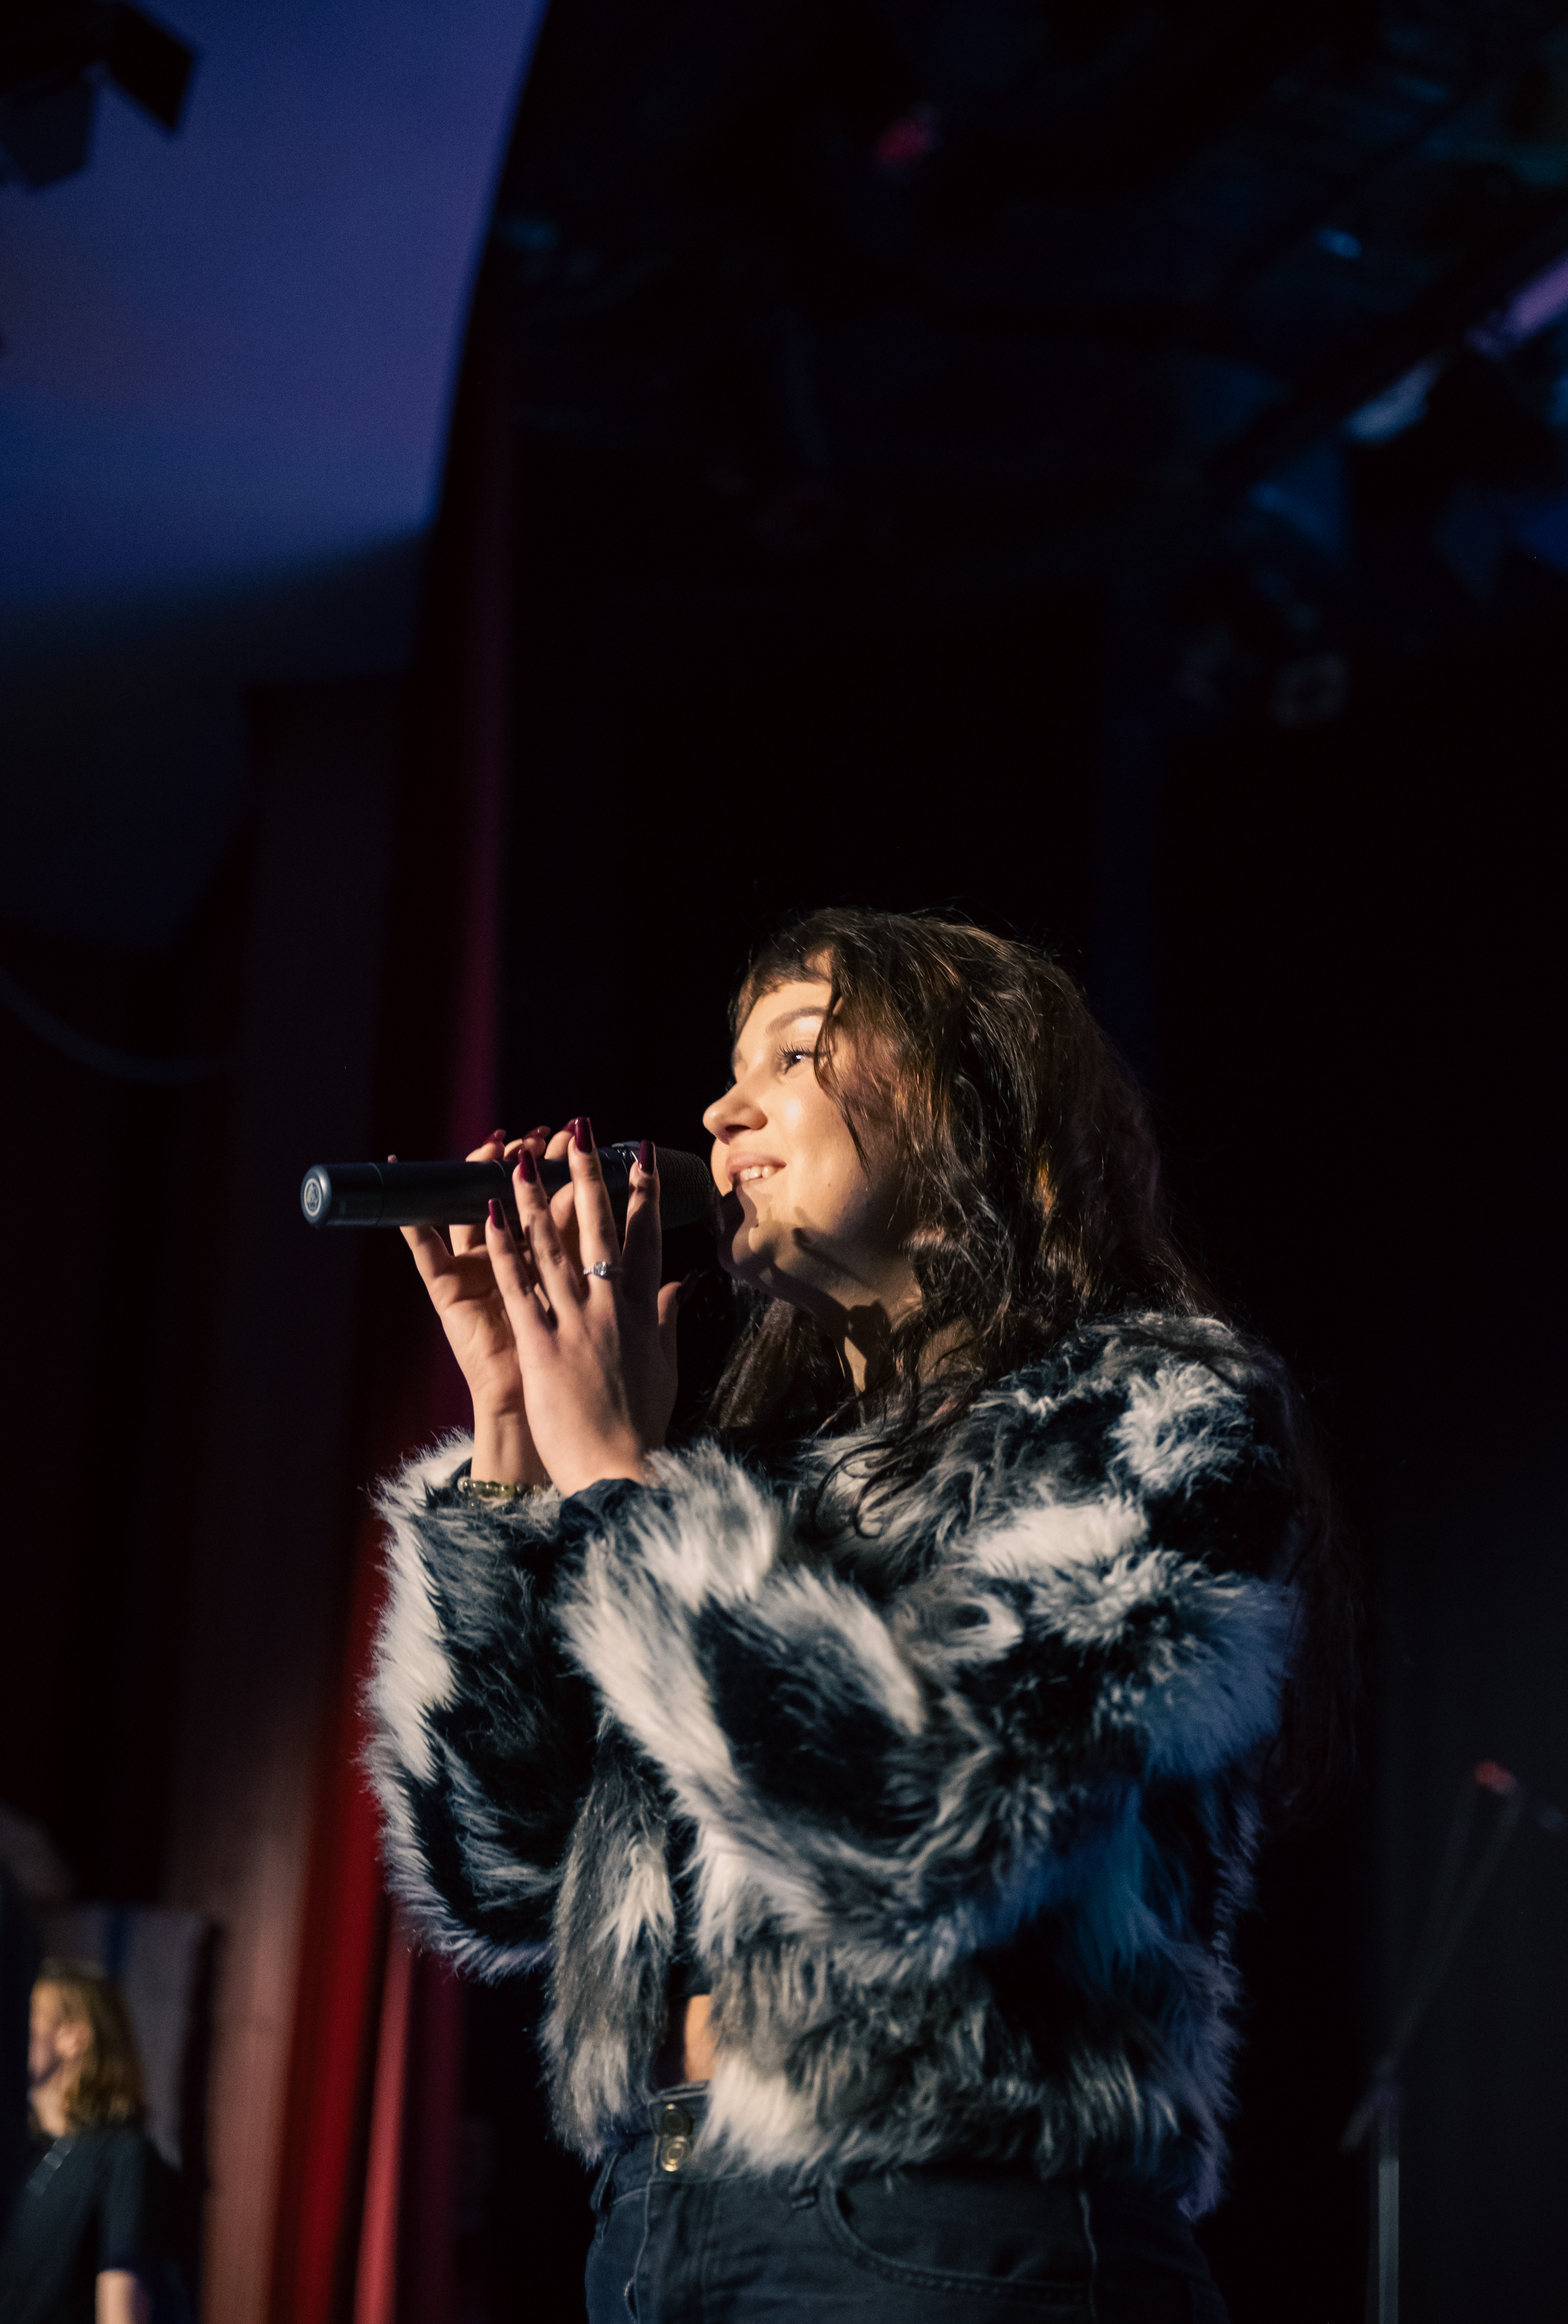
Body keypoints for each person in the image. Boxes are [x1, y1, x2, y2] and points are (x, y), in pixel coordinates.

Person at [369, 908, 1351, 2322]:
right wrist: (520, 1453)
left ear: (971, 1107)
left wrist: (623, 1498)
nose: (720, 1114)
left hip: (946, 2226)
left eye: (793, 1053)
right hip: (657, 2216)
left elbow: (932, 1830)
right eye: (728, 1071)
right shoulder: (742, 1497)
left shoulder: (1150, 1419)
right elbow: (499, 1875)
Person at [0, 1964, 182, 2324]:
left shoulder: (124, 2156)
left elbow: (121, 2310)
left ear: (73, 2038)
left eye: (26, 2017)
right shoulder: (29, 2151)